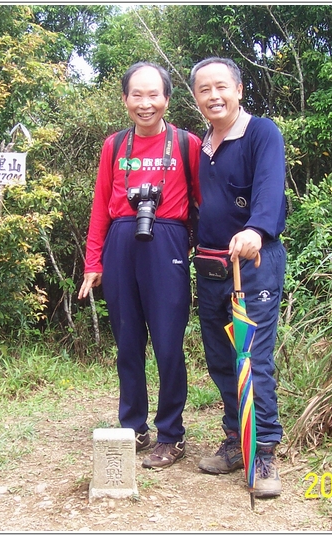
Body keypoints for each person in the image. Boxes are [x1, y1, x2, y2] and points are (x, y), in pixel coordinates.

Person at [78, 62, 201, 469]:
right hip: (120, 243)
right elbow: (100, 205)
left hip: (166, 241)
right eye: (137, 95)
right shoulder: (114, 145)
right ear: (125, 99)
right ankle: (133, 426)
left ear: (167, 98)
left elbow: (205, 202)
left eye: (153, 95)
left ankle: (171, 433)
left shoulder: (188, 144)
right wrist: (93, 260)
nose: (145, 103)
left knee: (168, 344)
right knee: (128, 344)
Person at [189, 57, 288, 497]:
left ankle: (264, 451)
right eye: (204, 89)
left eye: (221, 87)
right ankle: (237, 438)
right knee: (220, 359)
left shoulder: (261, 133)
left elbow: (269, 189)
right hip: (209, 268)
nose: (214, 96)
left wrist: (255, 228)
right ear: (195, 97)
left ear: (240, 89)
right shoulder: (200, 146)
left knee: (252, 358)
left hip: (253, 264)